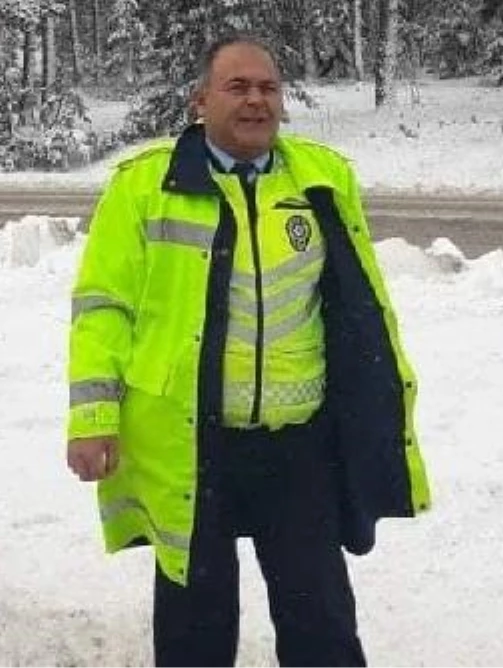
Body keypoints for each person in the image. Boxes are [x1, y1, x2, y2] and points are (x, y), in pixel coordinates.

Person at [66, 35, 430, 667]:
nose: (256, 100)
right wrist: (93, 419)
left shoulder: (323, 178)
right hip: (193, 444)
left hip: (297, 448)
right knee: (194, 630)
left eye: (268, 88)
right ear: (199, 101)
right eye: (238, 87)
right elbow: (103, 309)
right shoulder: (143, 187)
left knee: (321, 621)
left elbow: (363, 309)